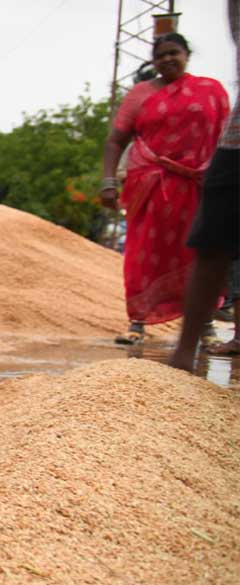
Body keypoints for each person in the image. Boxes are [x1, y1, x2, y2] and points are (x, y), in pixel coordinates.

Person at [100, 33, 231, 346]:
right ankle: (137, 323)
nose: (167, 60)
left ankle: (205, 326)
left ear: (187, 54)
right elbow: (116, 139)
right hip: (150, 186)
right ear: (153, 61)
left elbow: (226, 136)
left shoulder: (211, 90)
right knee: (143, 253)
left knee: (199, 251)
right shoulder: (141, 94)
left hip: (199, 186)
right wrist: (108, 181)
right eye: (160, 56)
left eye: (174, 53)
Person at [169, 7, 240, 369]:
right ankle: (183, 354)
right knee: (211, 241)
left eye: (174, 53)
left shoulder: (207, 92)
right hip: (236, 141)